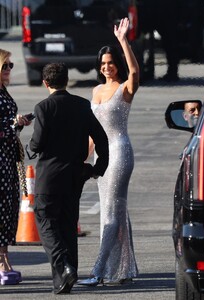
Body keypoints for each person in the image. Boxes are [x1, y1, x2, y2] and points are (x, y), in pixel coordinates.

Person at [29, 62, 109, 294]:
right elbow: (101, 138)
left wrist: (30, 145)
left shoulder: (43, 108)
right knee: (67, 224)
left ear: (46, 83)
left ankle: (63, 265)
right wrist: (97, 168)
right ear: (66, 80)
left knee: (45, 221)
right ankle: (65, 277)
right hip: (75, 174)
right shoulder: (82, 105)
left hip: (50, 177)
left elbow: (39, 142)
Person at [78, 17, 139, 286]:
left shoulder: (125, 88)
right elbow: (93, 130)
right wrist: (84, 157)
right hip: (102, 156)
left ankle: (99, 271)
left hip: (119, 153)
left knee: (112, 213)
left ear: (118, 65)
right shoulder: (97, 89)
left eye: (111, 63)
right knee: (112, 211)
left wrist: (123, 41)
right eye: (103, 65)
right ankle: (123, 269)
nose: (107, 68)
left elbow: (135, 73)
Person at [0, 48, 31, 284]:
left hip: (8, 160)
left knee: (9, 210)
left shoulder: (4, 92)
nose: (9, 69)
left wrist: (18, 123)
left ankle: (5, 259)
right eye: (5, 66)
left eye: (10, 65)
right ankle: (2, 263)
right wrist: (12, 124)